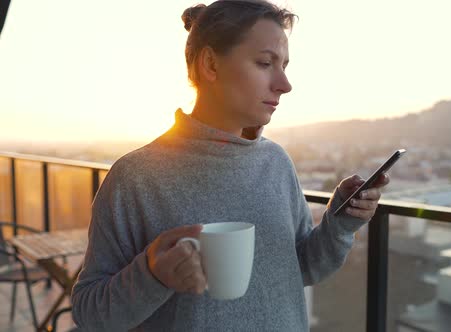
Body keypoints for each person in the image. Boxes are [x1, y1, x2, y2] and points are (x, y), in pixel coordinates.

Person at [71, 0, 390, 331]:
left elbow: (301, 269)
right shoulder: (135, 178)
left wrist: (340, 223)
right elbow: (90, 315)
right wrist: (152, 274)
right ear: (210, 63)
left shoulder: (275, 162)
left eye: (284, 66)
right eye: (266, 63)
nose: (285, 84)